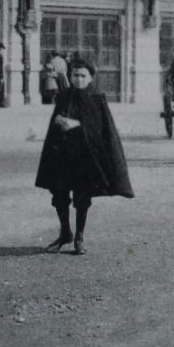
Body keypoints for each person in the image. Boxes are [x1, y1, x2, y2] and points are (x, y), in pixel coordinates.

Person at [35, 57, 133, 254]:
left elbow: (102, 129)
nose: (78, 80)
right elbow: (56, 120)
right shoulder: (64, 96)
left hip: (85, 157)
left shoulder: (97, 98)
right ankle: (65, 233)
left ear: (90, 78)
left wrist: (78, 125)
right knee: (60, 194)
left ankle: (79, 236)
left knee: (82, 195)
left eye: (82, 76)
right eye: (74, 75)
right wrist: (60, 121)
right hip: (62, 155)